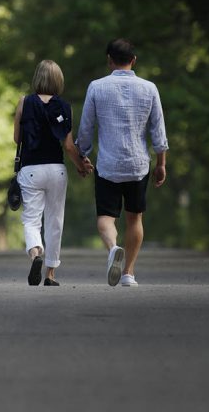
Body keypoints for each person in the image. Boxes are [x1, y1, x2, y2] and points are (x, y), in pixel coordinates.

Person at [76, 38, 168, 287]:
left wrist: (82, 155)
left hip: (108, 165)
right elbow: (158, 131)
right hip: (138, 165)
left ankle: (113, 249)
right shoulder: (150, 88)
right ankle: (128, 272)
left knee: (106, 218)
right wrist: (161, 163)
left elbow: (86, 127)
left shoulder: (96, 87)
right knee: (135, 219)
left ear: (109, 60)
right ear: (134, 60)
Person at [14, 59, 93, 286]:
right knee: (55, 221)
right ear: (59, 80)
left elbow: (16, 139)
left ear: (37, 78)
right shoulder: (64, 106)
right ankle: (50, 274)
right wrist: (81, 166)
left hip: (30, 170)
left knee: (31, 220)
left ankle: (35, 253)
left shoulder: (24, 102)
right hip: (56, 170)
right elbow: (68, 146)